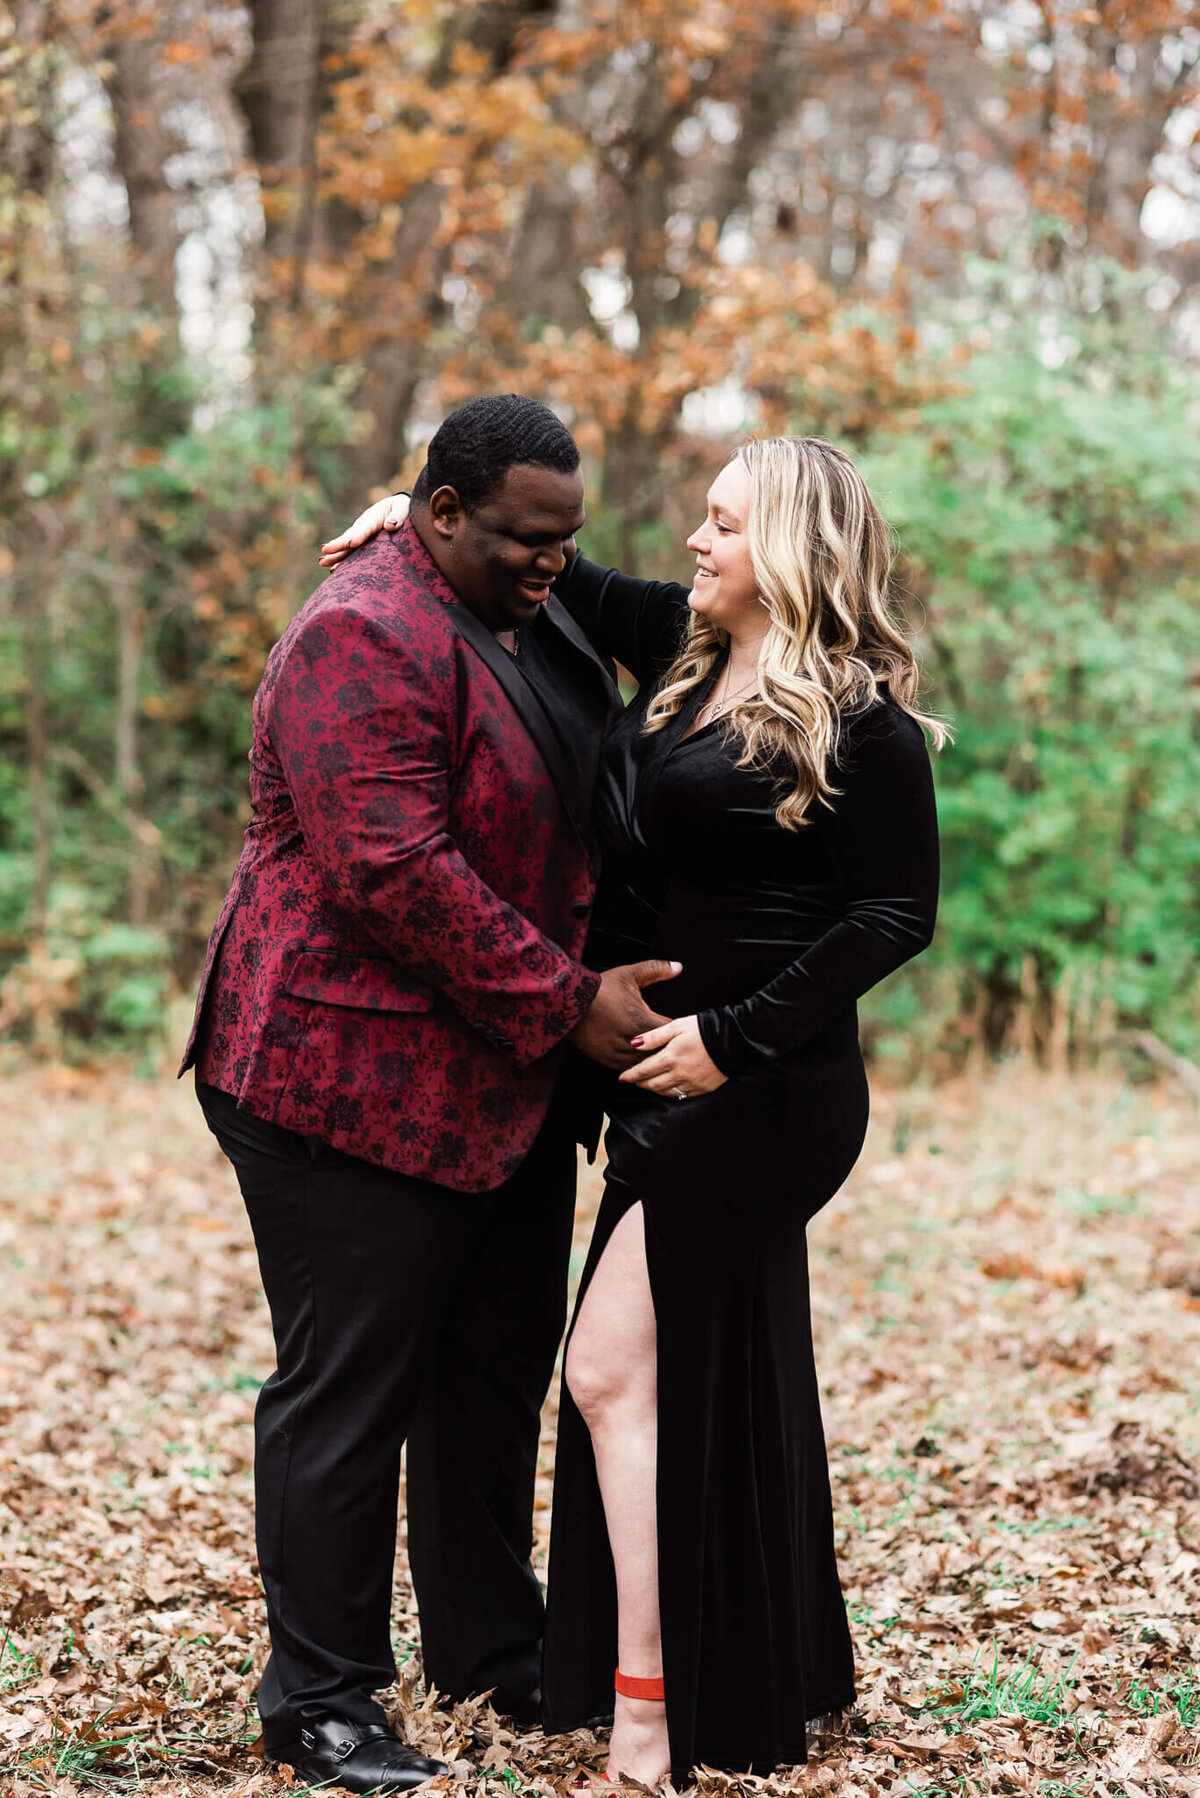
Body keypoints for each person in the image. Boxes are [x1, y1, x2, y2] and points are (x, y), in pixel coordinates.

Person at [327, 434, 943, 1786]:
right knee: (684, 1373)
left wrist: (733, 1037)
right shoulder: (688, 646)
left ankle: (654, 1713)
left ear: (785, 548)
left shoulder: (863, 718)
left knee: (606, 1370)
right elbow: (557, 573)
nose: (699, 545)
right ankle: (741, 1670)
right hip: (664, 1083)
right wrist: (405, 524)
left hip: (767, 1090)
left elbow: (897, 913)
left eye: (725, 525)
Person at [182, 395, 679, 1797]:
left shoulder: (528, 594)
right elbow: (394, 870)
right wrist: (577, 1000)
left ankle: (489, 1648)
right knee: (351, 1391)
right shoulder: (363, 631)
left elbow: (657, 629)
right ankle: (320, 1699)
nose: (554, 564)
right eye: (528, 539)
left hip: (499, 1081)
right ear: (444, 514)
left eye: (566, 542)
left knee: (489, 1376)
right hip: (344, 1081)